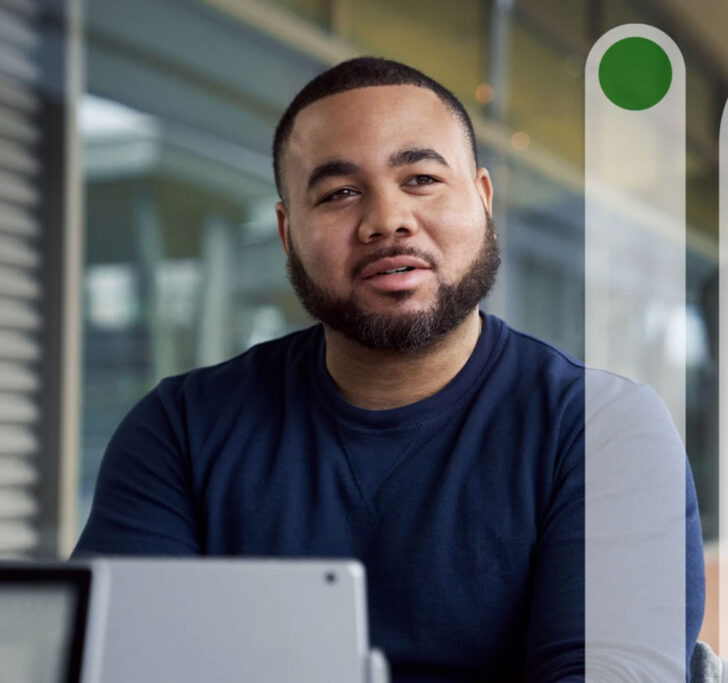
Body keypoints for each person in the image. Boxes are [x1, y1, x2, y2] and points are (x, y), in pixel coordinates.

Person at [73, 57, 705, 681]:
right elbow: (114, 662)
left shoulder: (602, 430)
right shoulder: (183, 428)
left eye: (422, 179)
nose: (387, 221)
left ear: (482, 199)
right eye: (340, 193)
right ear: (288, 234)